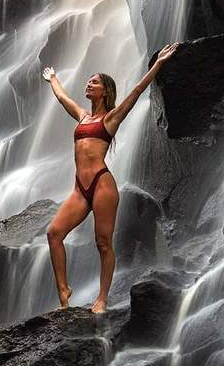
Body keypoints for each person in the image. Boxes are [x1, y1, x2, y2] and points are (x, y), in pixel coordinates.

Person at [40, 43, 179, 313]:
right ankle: (64, 293)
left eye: (94, 82)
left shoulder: (111, 119)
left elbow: (137, 92)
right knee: (54, 233)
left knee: (103, 243)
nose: (88, 84)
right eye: (88, 81)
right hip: (80, 189)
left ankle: (102, 298)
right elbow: (62, 99)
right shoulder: (82, 118)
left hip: (102, 184)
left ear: (106, 90)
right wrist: (53, 79)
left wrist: (158, 64)